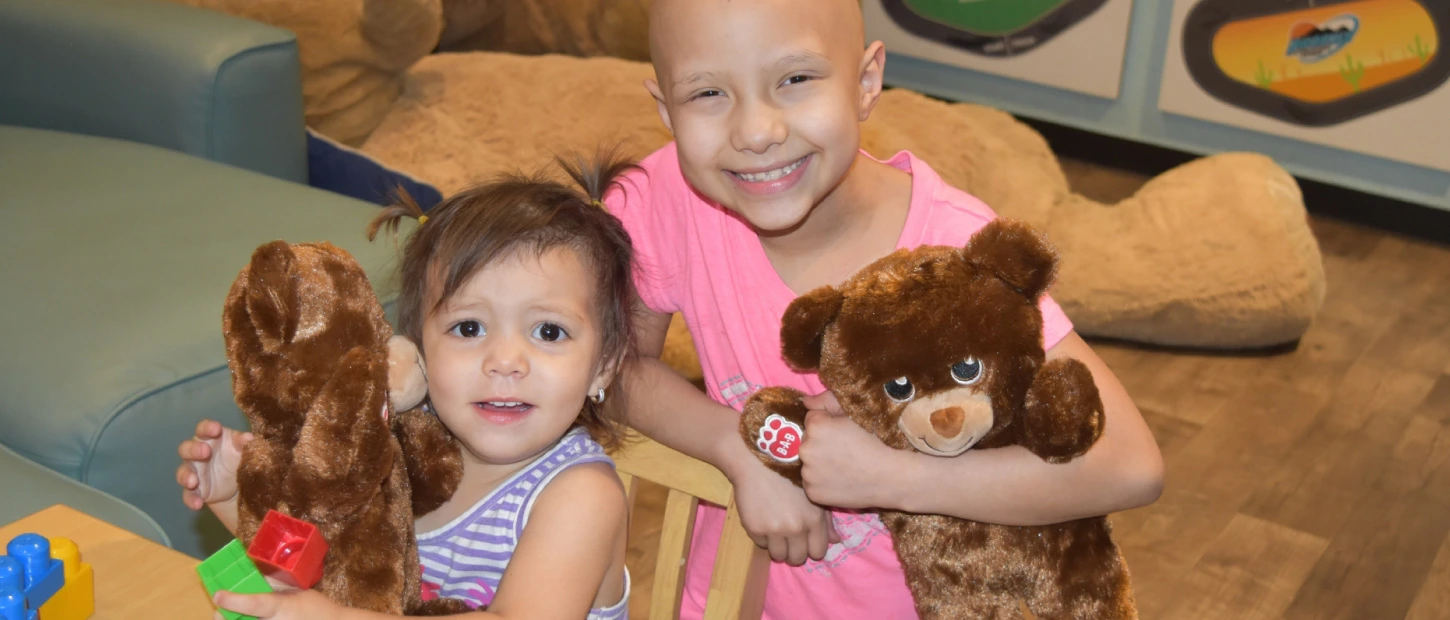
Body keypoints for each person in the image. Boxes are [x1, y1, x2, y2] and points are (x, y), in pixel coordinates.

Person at [601, 0, 1166, 617]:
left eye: (795, 78)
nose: (756, 131)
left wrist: (892, 477)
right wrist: (740, 450)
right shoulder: (665, 197)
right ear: (667, 111)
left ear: (866, 82)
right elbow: (610, 366)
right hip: (729, 598)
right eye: (708, 92)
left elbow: (1129, 465)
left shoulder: (954, 249)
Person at [176, 152, 641, 619]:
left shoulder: (581, 497)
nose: (505, 362)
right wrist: (238, 501)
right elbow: (332, 565)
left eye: (549, 332)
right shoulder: (399, 446)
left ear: (603, 366)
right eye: (469, 328)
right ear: (416, 349)